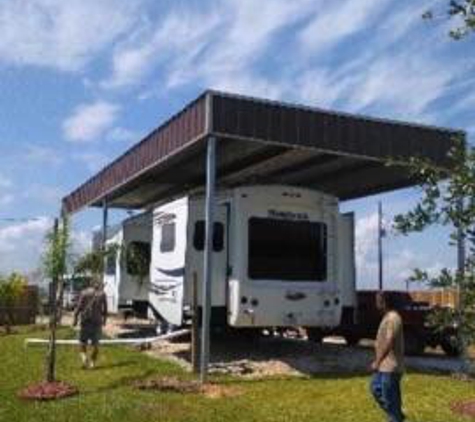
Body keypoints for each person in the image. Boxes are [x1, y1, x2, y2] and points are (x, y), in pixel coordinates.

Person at [370, 291, 406, 422]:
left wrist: (377, 361)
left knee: (389, 399)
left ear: (384, 302)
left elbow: (390, 341)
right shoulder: (387, 317)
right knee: (375, 388)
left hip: (391, 367)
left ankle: (395, 416)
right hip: (384, 367)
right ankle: (396, 415)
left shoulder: (393, 318)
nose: (376, 303)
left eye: (378, 300)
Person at [73, 278, 108, 369]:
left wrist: (75, 318)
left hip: (85, 321)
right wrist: (104, 320)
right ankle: (92, 362)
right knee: (95, 344)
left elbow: (79, 307)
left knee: (82, 342)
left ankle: (84, 359)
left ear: (90, 284)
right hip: (97, 322)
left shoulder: (84, 293)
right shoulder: (102, 294)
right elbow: (105, 310)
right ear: (98, 285)